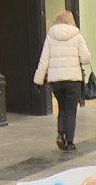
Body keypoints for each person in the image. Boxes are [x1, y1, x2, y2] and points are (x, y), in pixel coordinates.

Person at [33, 9, 91, 151]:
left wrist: (38, 80)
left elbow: (44, 59)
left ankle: (61, 133)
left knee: (62, 107)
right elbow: (86, 57)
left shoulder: (50, 36)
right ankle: (70, 142)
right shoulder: (77, 36)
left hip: (56, 80)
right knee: (71, 110)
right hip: (73, 79)